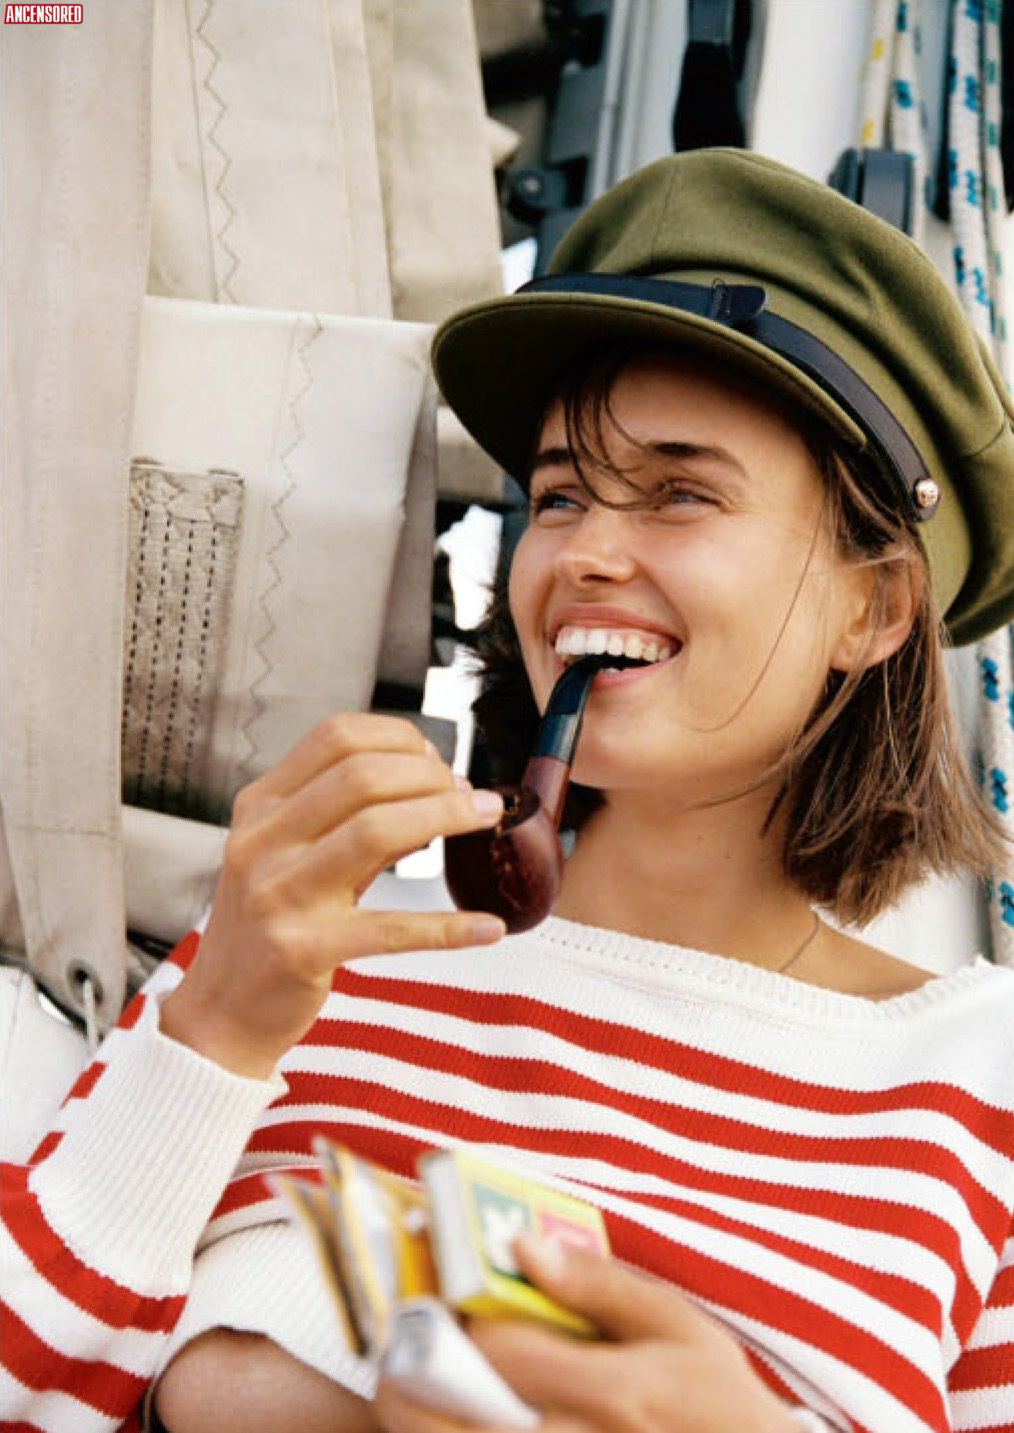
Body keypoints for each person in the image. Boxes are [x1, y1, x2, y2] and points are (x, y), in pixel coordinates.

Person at [4, 148, 1014, 1433]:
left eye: (682, 492)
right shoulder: (305, 948)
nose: (584, 552)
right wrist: (213, 1035)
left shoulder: (979, 1086)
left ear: (873, 607)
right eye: (560, 494)